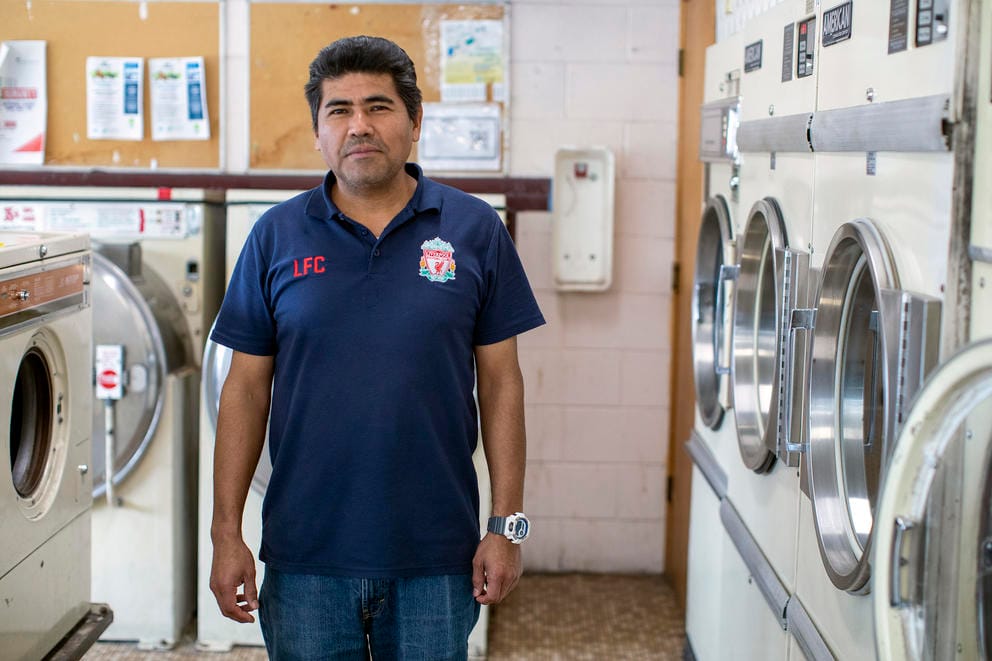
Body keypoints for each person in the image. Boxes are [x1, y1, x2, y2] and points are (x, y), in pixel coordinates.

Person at [208, 35, 545, 660]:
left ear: (415, 122)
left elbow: (502, 384)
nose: (359, 126)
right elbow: (245, 389)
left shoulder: (474, 230)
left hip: (436, 556)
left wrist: (506, 527)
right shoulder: (274, 236)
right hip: (306, 554)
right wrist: (226, 533)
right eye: (338, 110)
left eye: (378, 107)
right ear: (318, 131)